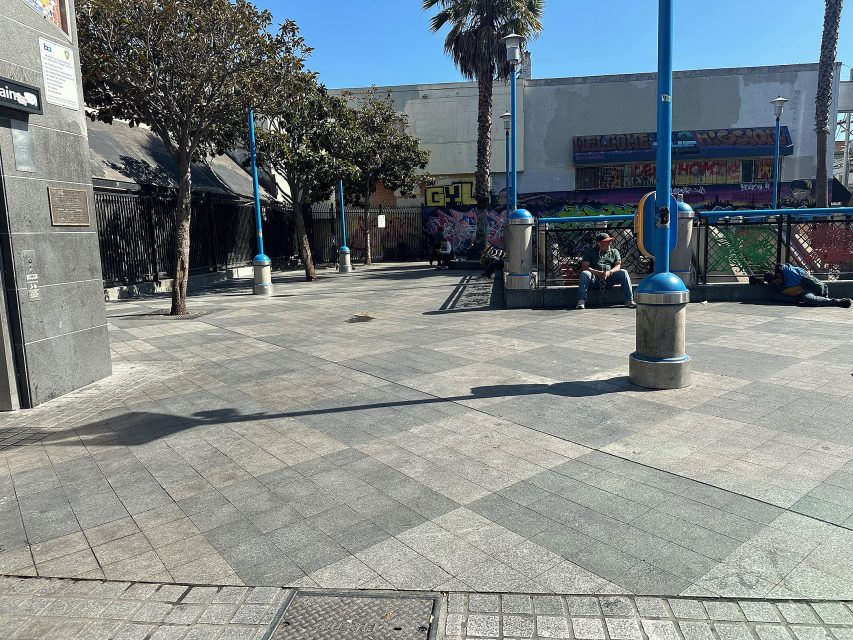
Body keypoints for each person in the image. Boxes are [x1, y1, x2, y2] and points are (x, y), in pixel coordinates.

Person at [576, 232, 636, 309]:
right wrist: (597, 273)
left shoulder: (614, 251)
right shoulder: (590, 252)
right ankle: (581, 301)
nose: (609, 243)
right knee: (585, 273)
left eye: (609, 241)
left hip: (609, 278)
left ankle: (629, 300)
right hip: (595, 279)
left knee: (623, 272)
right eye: (606, 242)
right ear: (599, 243)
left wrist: (610, 272)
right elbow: (584, 267)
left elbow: (618, 265)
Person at [750, 263, 851, 308]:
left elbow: (813, 282)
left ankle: (837, 302)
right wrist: (757, 281)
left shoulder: (793, 274)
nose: (777, 284)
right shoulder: (779, 279)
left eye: (777, 282)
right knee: (773, 295)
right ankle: (798, 299)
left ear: (778, 276)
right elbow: (772, 285)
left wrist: (823, 292)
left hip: (806, 289)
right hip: (795, 293)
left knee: (809, 299)